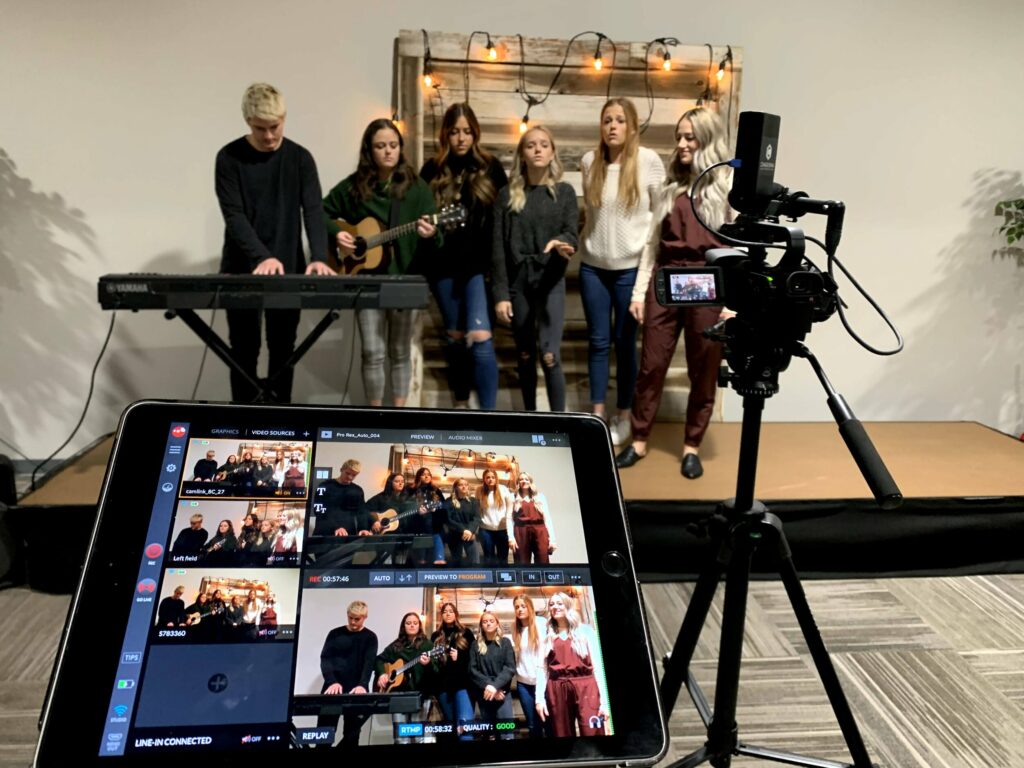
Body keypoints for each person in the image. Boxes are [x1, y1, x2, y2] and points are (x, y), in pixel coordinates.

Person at [615, 108, 733, 480]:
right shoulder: (669, 187)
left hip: (708, 285)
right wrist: (638, 293)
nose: (681, 144)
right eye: (679, 137)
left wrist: (732, 304)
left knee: (704, 367)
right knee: (651, 365)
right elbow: (652, 245)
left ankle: (691, 446)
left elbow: (736, 252)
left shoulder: (727, 188)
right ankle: (638, 440)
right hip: (666, 283)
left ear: (707, 140)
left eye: (690, 137)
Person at [215, 82, 333, 404]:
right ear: (247, 122)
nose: (269, 136)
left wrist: (319, 257)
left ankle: (280, 421)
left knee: (283, 349)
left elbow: (313, 210)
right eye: (260, 129)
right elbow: (234, 216)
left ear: (284, 118)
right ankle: (242, 421)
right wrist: (260, 257)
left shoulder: (300, 158)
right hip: (241, 268)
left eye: (275, 127)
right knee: (244, 348)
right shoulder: (228, 158)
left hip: (289, 268)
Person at [324, 118, 438, 407]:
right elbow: (320, 211)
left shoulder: (418, 188)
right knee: (372, 351)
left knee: (400, 350)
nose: (388, 151)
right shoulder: (355, 187)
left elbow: (438, 241)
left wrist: (431, 233)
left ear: (401, 148)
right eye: (380, 146)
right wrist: (340, 235)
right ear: (369, 150)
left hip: (404, 279)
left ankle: (397, 414)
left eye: (393, 145)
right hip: (367, 281)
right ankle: (374, 413)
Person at [578, 98, 666, 443]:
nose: (612, 126)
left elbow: (657, 227)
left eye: (619, 120)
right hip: (593, 268)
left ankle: (624, 414)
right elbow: (592, 218)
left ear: (631, 127)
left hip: (630, 269)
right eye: (606, 120)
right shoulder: (590, 162)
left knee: (624, 343)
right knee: (598, 342)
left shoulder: (648, 162)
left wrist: (643, 284)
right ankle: (597, 418)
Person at [421, 103, 508, 410]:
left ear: (475, 133)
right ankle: (460, 405)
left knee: (481, 340)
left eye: (467, 131)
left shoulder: (490, 168)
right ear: (446, 133)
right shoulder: (431, 170)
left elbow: (503, 222)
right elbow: (420, 218)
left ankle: (488, 416)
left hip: (479, 269)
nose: (461, 138)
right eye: (455, 131)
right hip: (442, 268)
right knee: (456, 339)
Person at [492, 126, 578, 412]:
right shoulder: (506, 196)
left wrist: (561, 243)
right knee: (526, 354)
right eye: (531, 145)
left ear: (552, 151)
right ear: (522, 154)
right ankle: (531, 419)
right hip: (518, 283)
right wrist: (501, 294)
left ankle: (559, 422)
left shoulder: (564, 193)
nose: (538, 149)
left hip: (550, 280)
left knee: (550, 355)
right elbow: (498, 250)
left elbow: (571, 233)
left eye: (544, 144)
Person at [535, 592, 609, 737]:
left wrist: (605, 703)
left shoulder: (586, 632)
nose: (555, 607)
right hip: (557, 687)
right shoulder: (547, 636)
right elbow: (542, 669)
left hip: (587, 687)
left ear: (568, 605)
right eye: (551, 604)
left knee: (593, 730)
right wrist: (539, 699)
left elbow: (598, 667)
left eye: (559, 603)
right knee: (561, 734)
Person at [319, 600, 378, 748]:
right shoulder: (334, 634)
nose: (353, 622)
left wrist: (362, 685)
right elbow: (325, 659)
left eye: (357, 619)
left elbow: (368, 664)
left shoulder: (370, 637)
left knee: (352, 737)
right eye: (350, 617)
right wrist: (332, 681)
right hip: (332, 689)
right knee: (324, 735)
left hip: (356, 690)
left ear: (365, 617)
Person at [375, 612, 438, 744]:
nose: (412, 625)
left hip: (421, 695)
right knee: (401, 737)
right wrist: (382, 673)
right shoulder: (396, 646)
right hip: (399, 696)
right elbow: (379, 659)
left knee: (422, 735)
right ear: (403, 626)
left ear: (419, 626)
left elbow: (436, 671)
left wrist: (428, 664)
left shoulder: (427, 646)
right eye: (408, 623)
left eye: (415, 623)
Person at [430, 602, 476, 741]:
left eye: (451, 611)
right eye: (445, 611)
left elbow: (474, 658)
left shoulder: (466, 633)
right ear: (441, 615)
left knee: (465, 728)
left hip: (463, 685)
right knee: (451, 728)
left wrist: (459, 657)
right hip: (444, 688)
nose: (448, 614)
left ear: (456, 614)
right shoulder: (435, 636)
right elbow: (434, 663)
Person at [469, 611, 516, 740]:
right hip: (485, 695)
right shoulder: (475, 645)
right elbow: (472, 671)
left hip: (503, 694)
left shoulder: (505, 643)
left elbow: (510, 668)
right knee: (489, 734)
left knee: (506, 733)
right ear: (481, 626)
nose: (488, 623)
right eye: (485, 621)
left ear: (497, 624)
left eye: (491, 621)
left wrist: (495, 687)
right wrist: (490, 687)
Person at [511, 595, 548, 738]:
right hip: (523, 684)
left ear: (530, 607)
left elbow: (544, 655)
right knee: (533, 726)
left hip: (543, 681)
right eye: (517, 607)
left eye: (523, 606)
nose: (520, 609)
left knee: (548, 722)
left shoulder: (541, 623)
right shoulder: (516, 627)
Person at [314, 460, 372, 537]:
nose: (350, 477)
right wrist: (335, 527)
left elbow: (361, 512)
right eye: (347, 473)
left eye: (354, 475)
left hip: (348, 533)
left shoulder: (357, 490)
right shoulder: (325, 486)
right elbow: (319, 510)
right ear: (341, 470)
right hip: (324, 531)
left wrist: (363, 529)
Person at [510, 472, 556, 565]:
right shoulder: (513, 498)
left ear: (530, 482)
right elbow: (510, 520)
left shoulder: (540, 497)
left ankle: (543, 579)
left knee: (542, 560)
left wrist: (553, 540)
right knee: (521, 562)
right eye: (521, 479)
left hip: (540, 530)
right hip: (521, 531)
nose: (524, 481)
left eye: (526, 479)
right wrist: (511, 538)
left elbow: (547, 519)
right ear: (518, 482)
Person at [403, 467, 446, 564]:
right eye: (423, 474)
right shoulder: (411, 490)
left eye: (428, 474)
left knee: (439, 560)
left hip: (434, 529)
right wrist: (417, 511)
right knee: (420, 561)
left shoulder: (436, 490)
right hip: (417, 529)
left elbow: (444, 508)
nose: (426, 476)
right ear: (418, 477)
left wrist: (436, 510)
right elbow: (405, 506)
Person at [475, 469, 513, 566]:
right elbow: (477, 510)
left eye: (493, 477)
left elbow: (509, 508)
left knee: (503, 557)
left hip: (502, 529)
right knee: (488, 558)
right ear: (484, 479)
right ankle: (490, 581)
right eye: (488, 477)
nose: (490, 479)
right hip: (485, 530)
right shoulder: (479, 490)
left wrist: (509, 526)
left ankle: (502, 580)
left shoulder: (503, 489)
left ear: (496, 478)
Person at [444, 477, 481, 565]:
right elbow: (448, 519)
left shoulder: (473, 501)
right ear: (456, 487)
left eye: (466, 485)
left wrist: (470, 530)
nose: (464, 487)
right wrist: (463, 530)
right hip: (454, 535)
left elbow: (477, 518)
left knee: (475, 562)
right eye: (461, 485)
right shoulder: (448, 502)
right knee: (457, 563)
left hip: (469, 535)